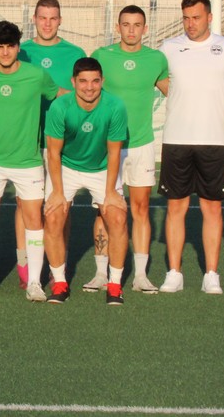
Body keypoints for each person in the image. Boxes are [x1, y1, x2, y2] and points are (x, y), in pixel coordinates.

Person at [158, 0, 224, 294]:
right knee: (176, 207)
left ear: (209, 17)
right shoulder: (169, 47)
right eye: (185, 18)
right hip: (176, 139)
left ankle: (211, 274)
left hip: (214, 140)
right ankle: (174, 273)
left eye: (196, 17)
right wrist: (176, 93)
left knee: (212, 208)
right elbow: (154, 75)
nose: (190, 24)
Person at [0, 21, 60, 300]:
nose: (5, 52)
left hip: (27, 161)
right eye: (0, 46)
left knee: (34, 220)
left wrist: (89, 101)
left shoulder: (36, 74)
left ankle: (34, 283)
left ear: (19, 47)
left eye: (10, 46)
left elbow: (56, 95)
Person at [19, 0, 100, 292]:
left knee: (60, 206)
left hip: (62, 142)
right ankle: (26, 266)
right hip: (26, 139)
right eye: (42, 18)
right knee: (25, 204)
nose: (47, 23)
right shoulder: (21, 52)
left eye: (53, 18)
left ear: (60, 20)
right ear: (34, 20)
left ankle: (58, 268)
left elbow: (83, 96)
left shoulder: (75, 52)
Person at [92, 5, 169, 293]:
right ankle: (101, 274)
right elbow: (87, 93)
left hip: (141, 145)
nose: (131, 30)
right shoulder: (102, 56)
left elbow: (174, 92)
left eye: (137, 25)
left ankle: (140, 276)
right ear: (118, 27)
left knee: (140, 208)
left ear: (145, 29)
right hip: (107, 145)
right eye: (126, 24)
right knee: (104, 209)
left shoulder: (156, 59)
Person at [43, 58, 129, 305]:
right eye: (83, 81)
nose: (89, 87)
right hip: (67, 166)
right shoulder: (60, 107)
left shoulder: (115, 106)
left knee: (117, 217)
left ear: (102, 81)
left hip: (101, 167)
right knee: (53, 216)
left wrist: (111, 192)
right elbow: (53, 153)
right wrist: (58, 192)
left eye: (95, 81)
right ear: (73, 82)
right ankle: (60, 283)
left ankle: (114, 285)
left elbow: (114, 152)